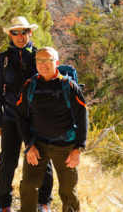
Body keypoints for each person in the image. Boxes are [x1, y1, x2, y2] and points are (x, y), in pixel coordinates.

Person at [0, 17, 54, 212]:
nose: (20, 36)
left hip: (36, 118)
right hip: (10, 116)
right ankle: (4, 203)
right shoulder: (4, 58)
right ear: (10, 35)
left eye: (23, 32)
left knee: (43, 158)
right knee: (8, 160)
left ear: (30, 33)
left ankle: (43, 202)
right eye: (15, 32)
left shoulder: (39, 56)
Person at [17, 47, 88, 212]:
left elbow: (82, 117)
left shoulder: (69, 87)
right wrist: (29, 145)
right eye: (39, 60)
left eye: (47, 60)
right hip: (37, 144)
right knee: (28, 186)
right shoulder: (29, 86)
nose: (43, 65)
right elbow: (21, 117)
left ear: (56, 62)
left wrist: (78, 149)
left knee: (67, 190)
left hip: (64, 147)